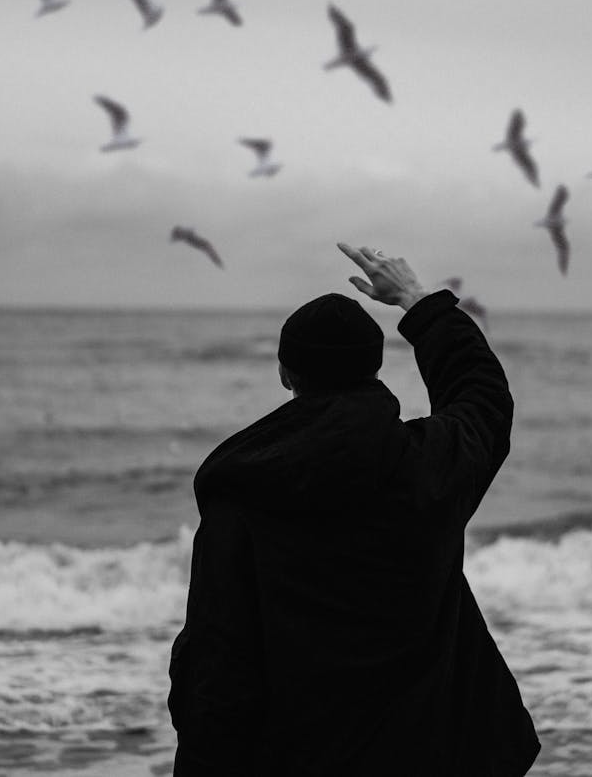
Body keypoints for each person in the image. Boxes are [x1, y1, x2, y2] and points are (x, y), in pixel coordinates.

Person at [168, 243, 540, 776]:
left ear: (284, 373)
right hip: (435, 756)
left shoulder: (243, 490)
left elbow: (217, 666)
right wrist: (417, 301)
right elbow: (483, 398)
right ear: (374, 366)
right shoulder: (426, 467)